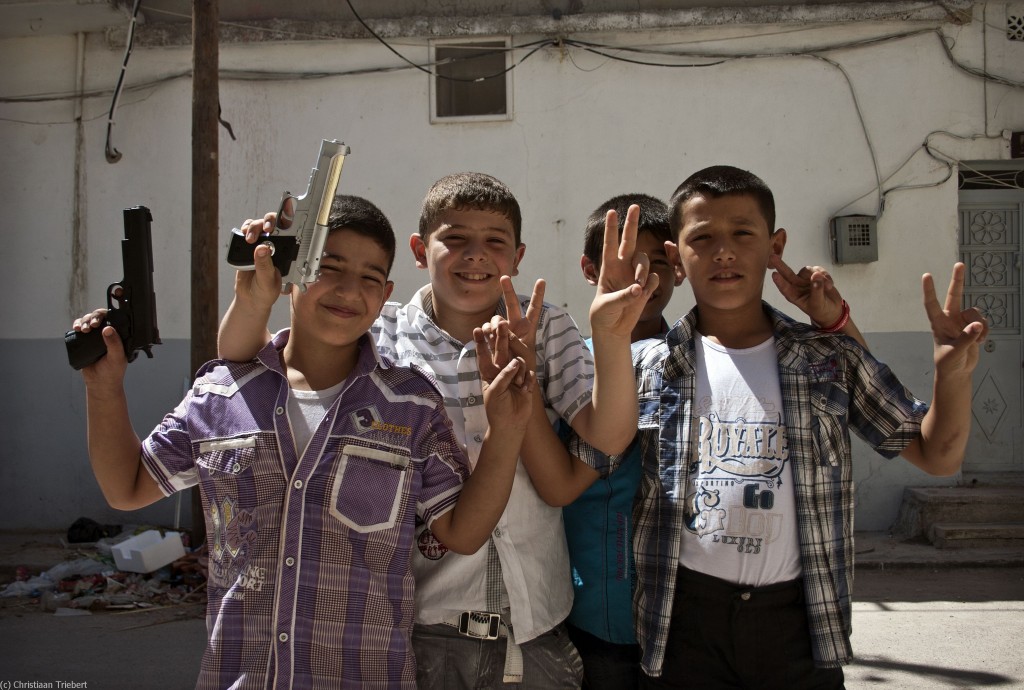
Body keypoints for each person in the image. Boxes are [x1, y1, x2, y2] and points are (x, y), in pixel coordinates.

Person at [72, 195, 538, 689]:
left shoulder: (410, 404)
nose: (347, 290)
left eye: (369, 279)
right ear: (291, 275)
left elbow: (462, 533)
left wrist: (506, 429)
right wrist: (104, 388)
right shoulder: (222, 393)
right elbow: (127, 487)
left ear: (386, 294)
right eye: (329, 267)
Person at [217, 173, 657, 687]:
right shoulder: (381, 335)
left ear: (517, 257)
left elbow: (607, 436)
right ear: (420, 250)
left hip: (533, 626)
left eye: (495, 241)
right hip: (420, 628)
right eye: (455, 239)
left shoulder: (546, 325)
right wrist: (257, 293)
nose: (476, 255)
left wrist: (610, 335)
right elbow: (250, 362)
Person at [570, 165, 989, 689]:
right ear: (677, 259)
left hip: (798, 623)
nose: (724, 251)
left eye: (743, 233)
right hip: (682, 625)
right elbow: (591, 457)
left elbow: (937, 454)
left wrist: (952, 372)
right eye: (703, 237)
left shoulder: (828, 358)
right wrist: (605, 337)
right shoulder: (647, 365)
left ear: (775, 246)